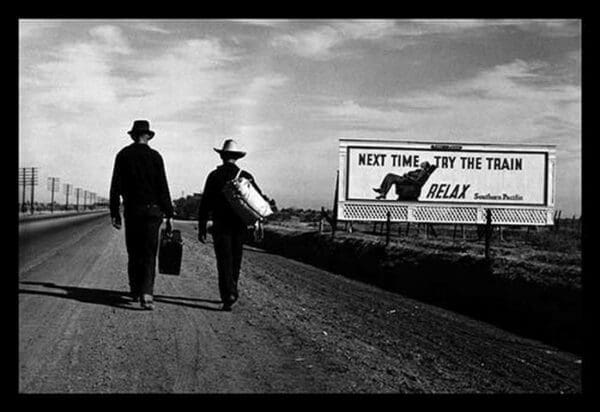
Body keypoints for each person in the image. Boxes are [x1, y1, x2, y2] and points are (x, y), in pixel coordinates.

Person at [109, 120, 174, 310]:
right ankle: (147, 292)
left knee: (134, 251)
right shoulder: (156, 157)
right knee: (149, 252)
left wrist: (115, 212)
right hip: (153, 211)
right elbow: (163, 187)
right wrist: (169, 213)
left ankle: (135, 289)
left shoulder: (123, 155)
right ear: (148, 136)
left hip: (133, 211)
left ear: (132, 135)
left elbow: (115, 187)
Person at [197, 139, 267, 312]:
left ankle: (228, 294)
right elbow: (257, 199)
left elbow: (205, 203)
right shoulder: (246, 175)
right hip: (240, 225)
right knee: (236, 259)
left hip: (221, 225)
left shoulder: (214, 176)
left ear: (222, 156)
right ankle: (232, 288)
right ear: (237, 157)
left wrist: (202, 226)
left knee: (223, 261)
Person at [373, 161, 438, 201]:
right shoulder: (420, 171)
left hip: (408, 181)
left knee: (390, 176)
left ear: (426, 166)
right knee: (390, 176)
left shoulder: (423, 173)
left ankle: (383, 192)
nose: (421, 165)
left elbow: (416, 180)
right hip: (406, 180)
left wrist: (408, 176)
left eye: (423, 164)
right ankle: (383, 191)